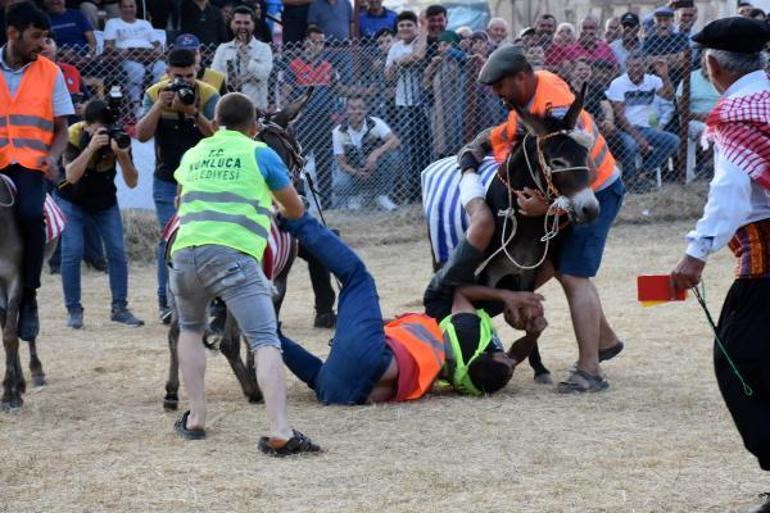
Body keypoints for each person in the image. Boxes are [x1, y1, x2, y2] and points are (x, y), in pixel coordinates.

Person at [457, 45, 625, 392]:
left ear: (520, 78)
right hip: (567, 193)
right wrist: (478, 146)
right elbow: (508, 134)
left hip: (595, 192)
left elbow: (585, 174)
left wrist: (547, 210)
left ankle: (590, 372)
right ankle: (604, 340)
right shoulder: (528, 97)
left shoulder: (556, 109)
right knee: (562, 266)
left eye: (500, 86)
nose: (497, 94)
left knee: (573, 273)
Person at [170, 92, 320, 456]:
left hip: (184, 252)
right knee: (265, 338)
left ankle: (197, 418)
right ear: (254, 127)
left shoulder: (193, 154)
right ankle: (280, 430)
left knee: (190, 330)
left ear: (217, 123)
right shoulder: (260, 153)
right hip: (233, 254)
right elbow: (296, 208)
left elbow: (179, 202)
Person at [276, 211, 546, 405]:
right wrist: (532, 336)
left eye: (507, 361)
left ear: (490, 358)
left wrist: (506, 296)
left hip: (373, 356)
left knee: (357, 277)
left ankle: (294, 216)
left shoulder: (469, 334)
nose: (511, 359)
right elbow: (508, 361)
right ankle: (258, 326)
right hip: (340, 394)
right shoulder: (472, 384)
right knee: (316, 375)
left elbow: (462, 293)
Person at [669, 17, 770, 513]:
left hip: (765, 270)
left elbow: (729, 192)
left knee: (740, 364)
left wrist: (695, 253)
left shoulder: (736, 114)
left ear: (712, 65)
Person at [0, 2, 74, 340]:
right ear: (12, 33)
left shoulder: (51, 71)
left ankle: (28, 296)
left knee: (31, 215)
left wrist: (54, 157)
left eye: (45, 38)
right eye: (35, 37)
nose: (42, 45)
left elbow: (61, 129)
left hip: (30, 165)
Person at [136, 48, 219, 322]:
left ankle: (207, 301)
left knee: (208, 238)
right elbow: (142, 134)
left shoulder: (208, 94)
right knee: (169, 240)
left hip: (204, 180)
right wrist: (160, 105)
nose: (184, 82)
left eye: (189, 76)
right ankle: (168, 303)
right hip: (167, 180)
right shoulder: (154, 93)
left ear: (197, 70)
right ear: (168, 73)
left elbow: (218, 137)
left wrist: (193, 112)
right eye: (178, 76)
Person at [56, 100, 143, 328]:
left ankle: (120, 308)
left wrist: (122, 155)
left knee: (117, 251)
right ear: (87, 125)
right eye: (98, 129)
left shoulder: (119, 137)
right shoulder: (74, 134)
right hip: (71, 199)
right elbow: (71, 175)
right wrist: (91, 148)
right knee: (72, 251)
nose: (103, 133)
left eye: (107, 127)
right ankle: (74, 310)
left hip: (104, 202)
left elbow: (132, 182)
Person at [605, 50, 679, 192]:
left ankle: (642, 174)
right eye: (632, 66)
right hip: (625, 129)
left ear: (645, 66)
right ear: (626, 66)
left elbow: (669, 97)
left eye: (639, 66)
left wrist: (665, 77)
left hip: (646, 129)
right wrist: (638, 138)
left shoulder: (653, 80)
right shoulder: (618, 83)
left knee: (673, 141)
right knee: (631, 145)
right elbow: (620, 117)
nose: (635, 70)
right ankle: (629, 180)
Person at [284, 26, 340, 208]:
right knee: (298, 161)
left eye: (321, 42)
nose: (318, 46)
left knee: (325, 162)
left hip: (324, 121)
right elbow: (285, 94)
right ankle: (299, 200)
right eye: (314, 41)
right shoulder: (294, 66)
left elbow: (337, 90)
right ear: (305, 43)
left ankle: (327, 204)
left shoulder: (328, 67)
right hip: (304, 121)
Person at [385, 10, 429, 202]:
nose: (405, 28)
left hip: (423, 103)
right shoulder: (395, 47)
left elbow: (418, 57)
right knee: (409, 148)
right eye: (401, 25)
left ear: (416, 27)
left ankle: (423, 189)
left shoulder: (421, 41)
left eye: (409, 25)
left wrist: (400, 62)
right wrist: (398, 62)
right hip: (403, 103)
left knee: (424, 146)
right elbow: (389, 76)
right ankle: (411, 191)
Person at [332, 96, 400, 210]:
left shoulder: (375, 123)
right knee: (339, 184)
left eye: (360, 108)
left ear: (366, 110)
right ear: (346, 111)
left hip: (376, 167)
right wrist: (356, 172)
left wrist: (376, 154)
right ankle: (356, 196)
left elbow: (395, 141)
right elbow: (341, 162)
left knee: (393, 156)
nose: (357, 111)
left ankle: (382, 196)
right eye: (352, 108)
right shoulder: (338, 132)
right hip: (355, 171)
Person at [104, 0, 166, 109]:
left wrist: (158, 51)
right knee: (137, 70)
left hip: (148, 55)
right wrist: (121, 51)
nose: (129, 9)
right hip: (128, 57)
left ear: (136, 8)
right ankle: (137, 106)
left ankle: (157, 102)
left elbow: (156, 43)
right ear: (119, 9)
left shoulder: (145, 23)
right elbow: (108, 45)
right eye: (125, 7)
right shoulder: (113, 23)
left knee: (161, 68)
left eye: (131, 6)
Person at [211, 5, 272, 110]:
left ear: (253, 25)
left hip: (255, 109)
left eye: (246, 23)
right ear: (231, 25)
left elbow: (263, 75)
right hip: (228, 107)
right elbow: (215, 79)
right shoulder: (223, 49)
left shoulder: (264, 48)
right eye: (238, 22)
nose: (242, 26)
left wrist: (246, 56)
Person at [676, 53, 720, 178]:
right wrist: (699, 116)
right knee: (706, 130)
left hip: (720, 120)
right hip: (694, 121)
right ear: (700, 61)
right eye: (704, 59)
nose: (707, 63)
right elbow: (681, 108)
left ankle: (709, 166)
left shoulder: (722, 77)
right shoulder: (690, 78)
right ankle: (707, 165)